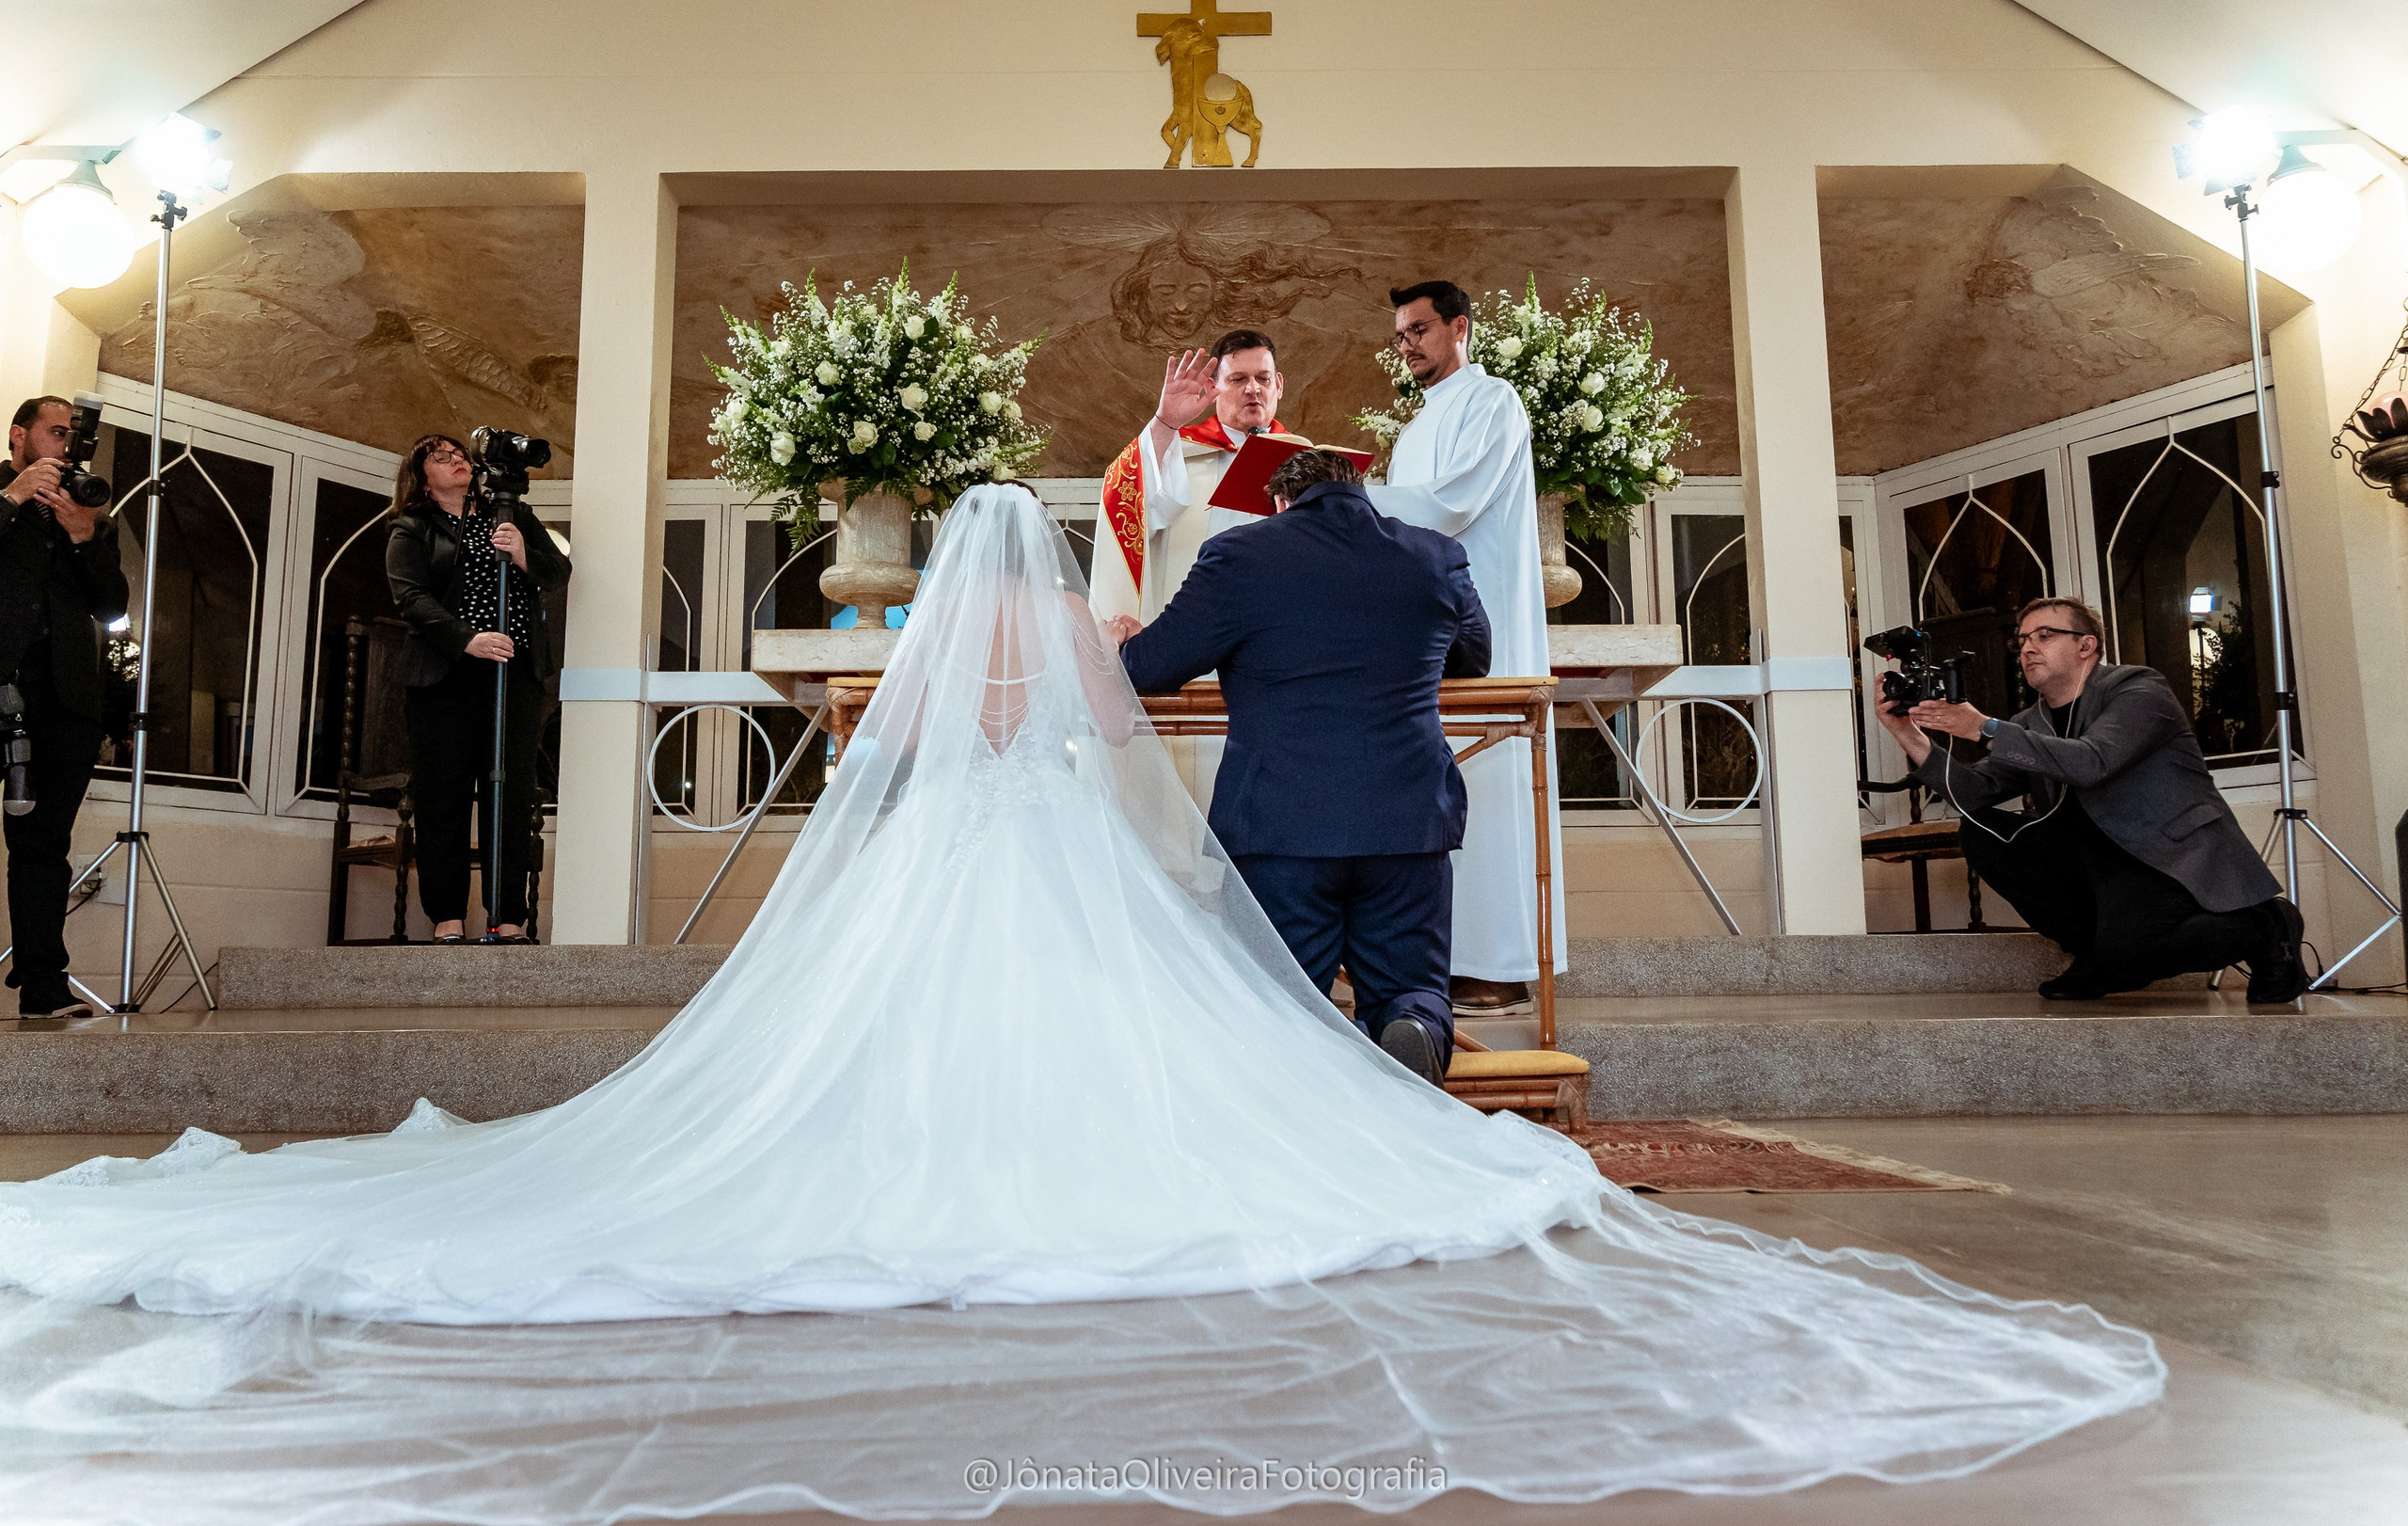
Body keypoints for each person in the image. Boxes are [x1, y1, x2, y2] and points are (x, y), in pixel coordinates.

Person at [0, 486, 2162, 1520]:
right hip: (1248, 819)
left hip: (965, 851)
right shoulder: (1335, 576)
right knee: (1189, 1014)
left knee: (883, 1044)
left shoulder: (976, 660)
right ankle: (1381, 1067)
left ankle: (1180, 1096)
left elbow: (952, 751)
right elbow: (1130, 718)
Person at [1109, 449, 1489, 1084]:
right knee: (1413, 985)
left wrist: (1124, 638)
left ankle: (1302, 1130)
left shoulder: (1242, 555)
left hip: (1280, 823)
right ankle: (1414, 1028)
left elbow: (1150, 668)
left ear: (1280, 501)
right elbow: (1474, 656)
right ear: (1361, 491)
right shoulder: (1435, 555)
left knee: (1281, 999)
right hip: (1407, 817)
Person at [1877, 596, 2303, 1002]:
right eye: (2022, 640)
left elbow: (2094, 762)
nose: (2028, 648)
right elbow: (1972, 792)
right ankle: (2097, 954)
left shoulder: (2138, 688)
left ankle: (2266, 925)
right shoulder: (2032, 721)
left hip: (2161, 854)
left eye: (2044, 635)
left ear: (2086, 645)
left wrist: (1984, 729)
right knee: (1984, 832)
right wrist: (1907, 734)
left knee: (2133, 954)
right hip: (2093, 860)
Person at [1364, 280, 1564, 1017]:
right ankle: (1439, 961)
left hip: (1488, 623)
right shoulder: (1413, 429)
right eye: (1399, 335)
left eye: (1418, 329)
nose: (1407, 344)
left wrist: (1352, 500)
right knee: (1437, 792)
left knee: (1494, 779)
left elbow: (1453, 504)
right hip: (1422, 632)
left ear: (1460, 327)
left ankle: (1503, 962)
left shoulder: (1494, 402)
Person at [383, 433, 571, 944]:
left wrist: (525, 554)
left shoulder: (507, 512)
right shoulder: (412, 527)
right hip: (444, 677)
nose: (457, 461)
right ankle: (447, 917)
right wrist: (469, 640)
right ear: (421, 478)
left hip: (512, 675)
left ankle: (507, 916)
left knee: (508, 793)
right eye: (441, 458)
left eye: (460, 454)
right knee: (442, 798)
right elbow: (411, 599)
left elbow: (558, 571)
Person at [0, 396, 129, 1018]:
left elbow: (112, 608)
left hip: (65, 701)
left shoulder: (90, 516)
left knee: (44, 847)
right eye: (55, 432)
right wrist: (14, 497)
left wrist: (82, 535)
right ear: (19, 436)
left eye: (73, 437)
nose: (65, 446)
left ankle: (44, 989)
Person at [1090, 327, 1292, 625]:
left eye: (1262, 378)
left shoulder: (1304, 460)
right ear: (1214, 387)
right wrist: (1164, 423)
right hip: (1196, 633)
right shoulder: (1179, 452)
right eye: (1237, 379)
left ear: (1278, 385)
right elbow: (1131, 497)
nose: (1253, 389)